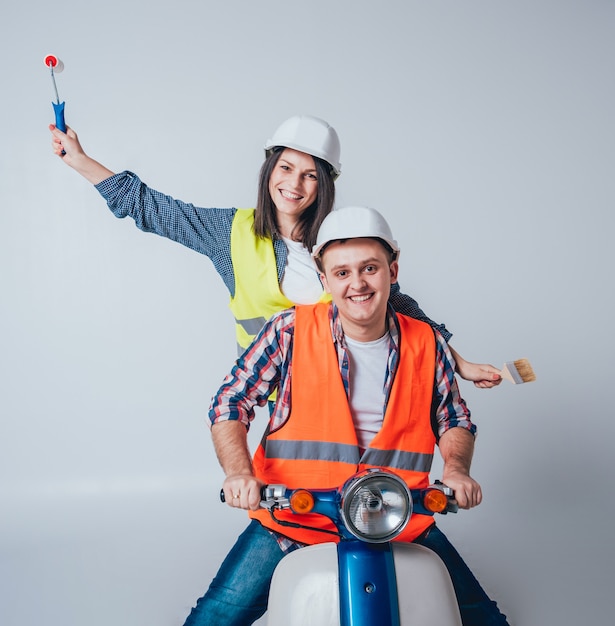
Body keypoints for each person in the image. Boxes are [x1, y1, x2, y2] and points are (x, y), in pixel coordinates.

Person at [189, 206, 509, 625]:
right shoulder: (289, 331)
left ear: (393, 271)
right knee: (214, 618)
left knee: (484, 621)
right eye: (341, 273)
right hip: (295, 516)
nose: (357, 284)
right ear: (324, 280)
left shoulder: (427, 342)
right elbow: (231, 403)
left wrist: (457, 470)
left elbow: (453, 418)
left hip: (397, 517)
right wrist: (238, 473)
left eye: (369, 268)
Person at [49, 115, 501, 388]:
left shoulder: (339, 237)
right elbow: (150, 207)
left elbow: (395, 303)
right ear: (269, 170)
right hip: (280, 393)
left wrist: (457, 362)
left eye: (310, 175)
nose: (294, 184)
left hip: (357, 389)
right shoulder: (229, 231)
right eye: (286, 168)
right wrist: (81, 160)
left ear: (323, 185)